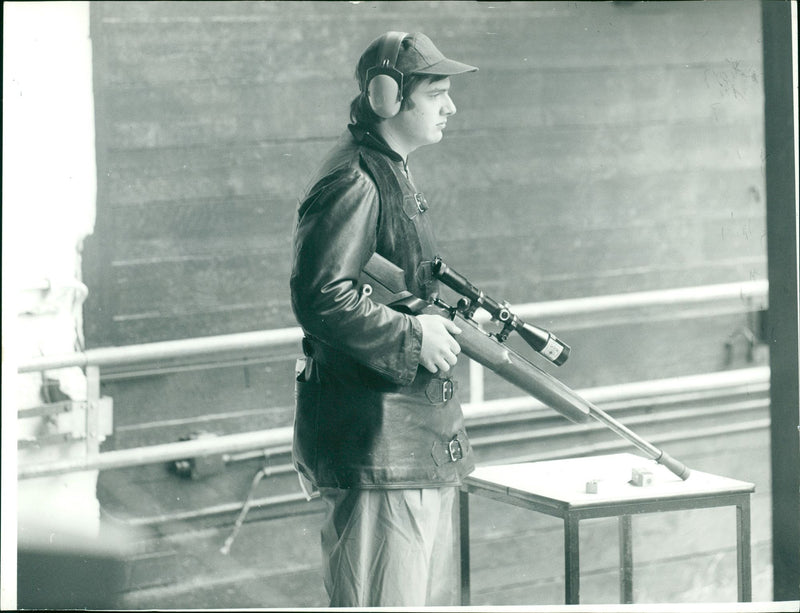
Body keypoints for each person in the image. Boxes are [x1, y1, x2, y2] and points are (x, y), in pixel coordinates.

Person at [289, 31, 478, 607]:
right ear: (386, 96)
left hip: (404, 443)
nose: (451, 106)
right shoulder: (356, 178)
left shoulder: (385, 168)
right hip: (381, 447)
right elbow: (322, 295)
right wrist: (413, 334)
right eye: (436, 93)